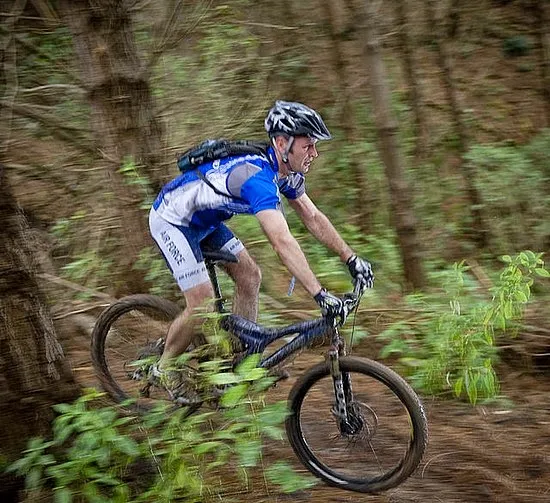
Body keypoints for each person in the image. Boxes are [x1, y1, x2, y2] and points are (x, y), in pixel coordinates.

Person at [148, 100, 374, 384]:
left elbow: (313, 216)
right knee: (202, 305)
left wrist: (350, 258)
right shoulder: (256, 178)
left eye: (315, 145)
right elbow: (281, 241)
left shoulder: (285, 172)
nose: (314, 153)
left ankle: (241, 360)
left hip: (206, 222)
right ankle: (163, 369)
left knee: (250, 276)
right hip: (172, 220)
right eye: (308, 146)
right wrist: (319, 294)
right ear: (282, 143)